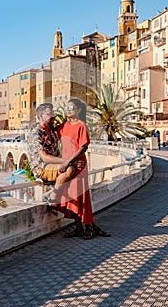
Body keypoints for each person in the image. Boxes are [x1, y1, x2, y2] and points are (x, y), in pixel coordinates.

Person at [55, 98, 111, 239]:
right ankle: (79, 227)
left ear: (79, 110)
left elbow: (83, 148)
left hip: (78, 166)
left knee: (81, 197)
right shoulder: (63, 126)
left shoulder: (81, 126)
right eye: (67, 107)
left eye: (72, 107)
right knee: (70, 197)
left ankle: (89, 227)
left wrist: (68, 162)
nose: (68, 110)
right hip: (67, 166)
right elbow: (48, 133)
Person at [28, 103, 77, 200]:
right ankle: (53, 196)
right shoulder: (35, 134)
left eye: (53, 113)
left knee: (76, 167)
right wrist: (66, 161)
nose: (53, 116)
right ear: (41, 116)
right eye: (49, 114)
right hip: (41, 168)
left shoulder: (51, 131)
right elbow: (45, 158)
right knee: (70, 169)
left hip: (53, 165)